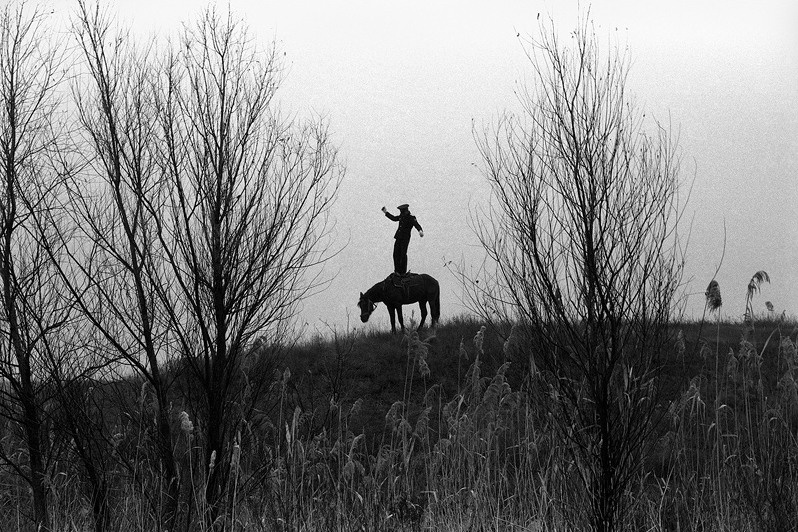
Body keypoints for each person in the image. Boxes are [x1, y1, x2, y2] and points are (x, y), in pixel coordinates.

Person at [382, 203, 423, 275]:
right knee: (396, 254)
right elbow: (394, 218)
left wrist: (420, 231)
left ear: (405, 211)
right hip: (398, 237)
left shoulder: (411, 217)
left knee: (403, 254)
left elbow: (416, 224)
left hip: (405, 238)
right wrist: (386, 212)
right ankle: (397, 271)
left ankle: (403, 272)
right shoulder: (401, 216)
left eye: (401, 211)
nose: (400, 213)